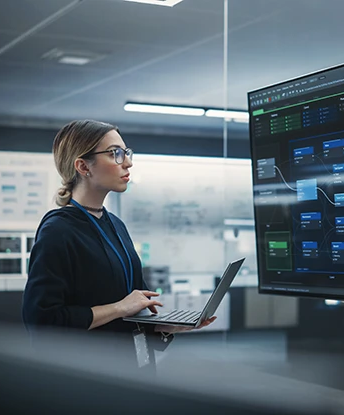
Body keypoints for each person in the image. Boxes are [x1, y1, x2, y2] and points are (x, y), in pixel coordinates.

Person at [22, 120, 216, 369]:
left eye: (126, 152)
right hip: (90, 378)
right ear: (83, 166)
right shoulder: (57, 231)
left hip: (134, 367)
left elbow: (133, 308)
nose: (128, 162)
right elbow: (41, 321)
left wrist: (165, 326)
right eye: (115, 153)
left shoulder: (115, 225)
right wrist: (119, 308)